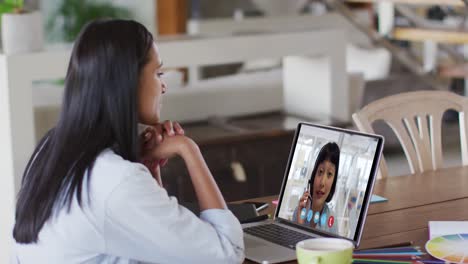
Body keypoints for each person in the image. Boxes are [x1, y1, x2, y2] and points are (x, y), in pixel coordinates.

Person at [12, 19, 244, 264]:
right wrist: (189, 149)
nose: (163, 86)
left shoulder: (51, 150)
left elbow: (160, 245)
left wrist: (151, 168)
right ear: (127, 82)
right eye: (158, 73)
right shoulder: (115, 179)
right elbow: (227, 253)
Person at [292, 142, 340, 234]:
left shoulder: (332, 221)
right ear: (313, 177)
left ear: (333, 183)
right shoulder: (298, 212)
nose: (322, 182)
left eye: (329, 174)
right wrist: (300, 225)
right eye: (320, 172)